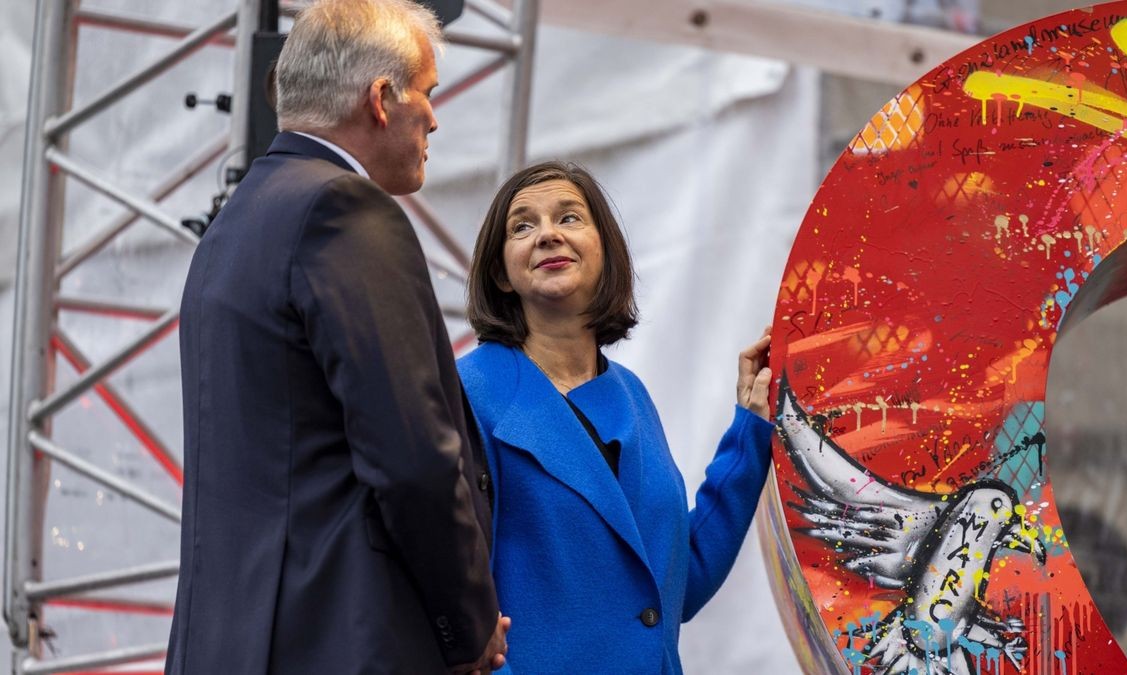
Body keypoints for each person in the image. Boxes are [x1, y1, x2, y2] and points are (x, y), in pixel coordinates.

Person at [166, 1, 507, 672]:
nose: (435, 117)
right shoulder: (342, 209)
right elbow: (413, 456)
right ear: (382, 99)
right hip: (339, 636)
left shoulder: (233, 226)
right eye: (429, 93)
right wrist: (467, 626)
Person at [457, 161, 774, 674]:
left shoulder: (631, 395)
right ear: (500, 272)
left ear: (604, 252)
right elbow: (451, 595)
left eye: (569, 218)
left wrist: (749, 430)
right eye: (523, 225)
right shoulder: (468, 392)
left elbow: (677, 584)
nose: (548, 235)